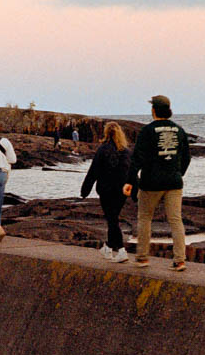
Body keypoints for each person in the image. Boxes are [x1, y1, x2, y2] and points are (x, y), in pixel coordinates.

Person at [123, 95, 192, 270]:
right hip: (174, 182)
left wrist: (130, 181)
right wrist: (178, 173)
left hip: (151, 182)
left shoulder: (147, 131)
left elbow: (137, 159)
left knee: (145, 218)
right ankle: (180, 260)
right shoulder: (179, 130)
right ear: (169, 110)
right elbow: (186, 157)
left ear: (153, 110)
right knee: (176, 220)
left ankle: (143, 258)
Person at [78, 123, 132, 261]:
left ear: (106, 133)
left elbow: (93, 171)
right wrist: (136, 191)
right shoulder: (126, 151)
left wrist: (85, 190)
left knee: (112, 219)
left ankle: (121, 250)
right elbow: (132, 173)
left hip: (106, 190)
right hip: (122, 191)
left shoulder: (102, 150)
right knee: (112, 218)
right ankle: (107, 248)